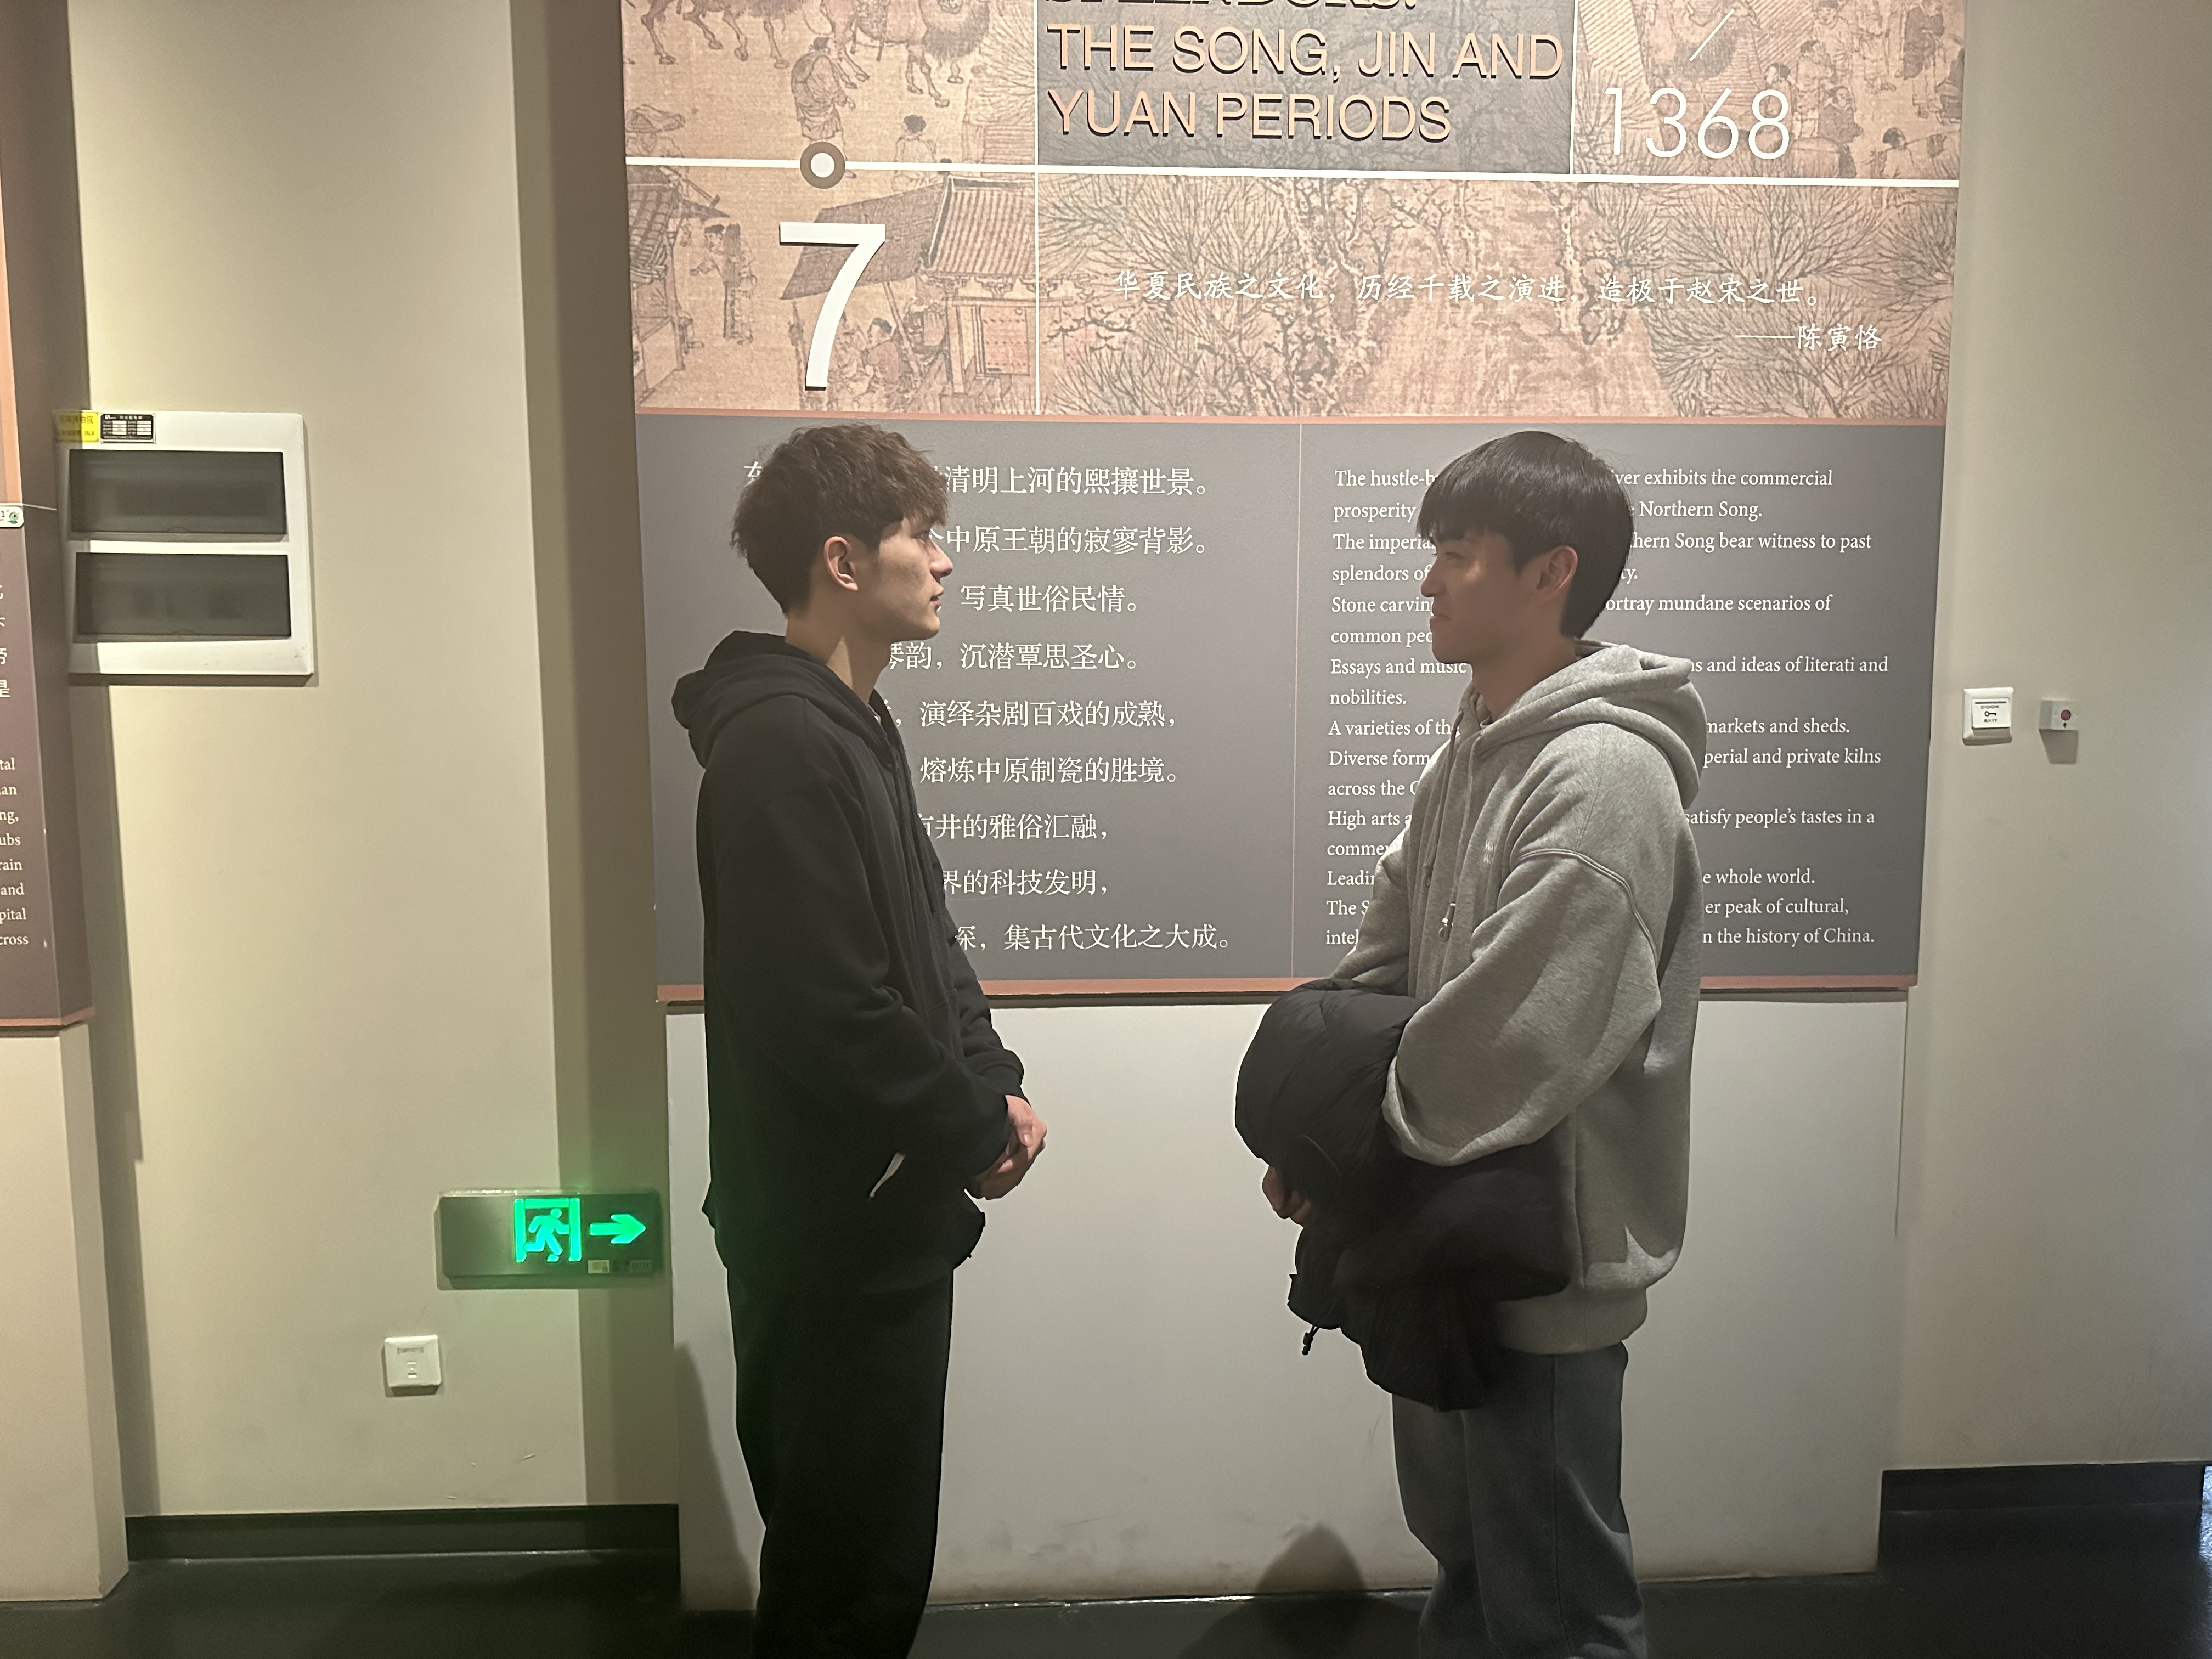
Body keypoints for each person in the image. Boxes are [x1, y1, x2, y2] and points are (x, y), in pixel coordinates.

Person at [1263, 431, 1705, 1659]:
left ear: (1551, 571)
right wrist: (1321, 1131)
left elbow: (1516, 1037)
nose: (1429, 582)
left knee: (1556, 1601)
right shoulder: (1473, 743)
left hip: (1538, 1254)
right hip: (1444, 1230)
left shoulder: (1604, 776)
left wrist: (1353, 1152)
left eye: (1458, 554)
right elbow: (1387, 951)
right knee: (1467, 1558)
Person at [673, 422, 1047, 1656]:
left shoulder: (852, 725)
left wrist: (992, 1083)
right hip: (831, 1230)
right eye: (919, 537)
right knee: (846, 1575)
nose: (943, 563)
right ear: (842, 560)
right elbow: (825, 1009)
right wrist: (970, 1122)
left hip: (877, 1210)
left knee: (868, 1556)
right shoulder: (782, 745)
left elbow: (929, 939)